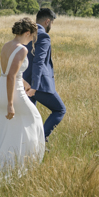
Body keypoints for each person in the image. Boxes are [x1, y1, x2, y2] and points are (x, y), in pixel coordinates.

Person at [0, 17, 45, 182]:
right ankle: (23, 165)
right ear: (27, 33)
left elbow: (8, 72)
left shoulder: (6, 46)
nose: (31, 41)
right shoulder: (22, 50)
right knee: (35, 121)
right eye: (31, 37)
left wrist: (26, 84)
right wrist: (10, 104)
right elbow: (11, 76)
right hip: (12, 94)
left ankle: (9, 165)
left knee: (10, 131)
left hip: (2, 91)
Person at [23, 8, 65, 149]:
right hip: (38, 85)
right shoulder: (43, 36)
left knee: (29, 117)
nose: (51, 25)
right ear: (48, 21)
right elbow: (39, 62)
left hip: (24, 83)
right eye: (51, 22)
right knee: (60, 110)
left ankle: (28, 145)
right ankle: (40, 141)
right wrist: (35, 85)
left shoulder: (26, 34)